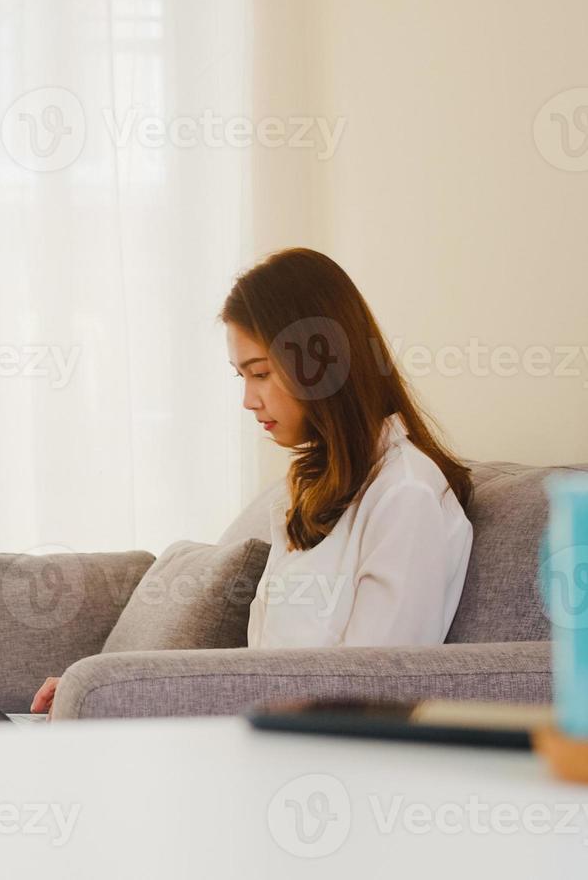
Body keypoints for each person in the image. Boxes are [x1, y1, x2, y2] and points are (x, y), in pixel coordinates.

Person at [30, 247, 475, 715]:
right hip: (266, 742)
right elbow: (262, 668)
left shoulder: (406, 495)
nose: (247, 400)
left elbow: (366, 691)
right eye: (241, 375)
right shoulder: (310, 488)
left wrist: (133, 694)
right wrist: (116, 688)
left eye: (260, 373)